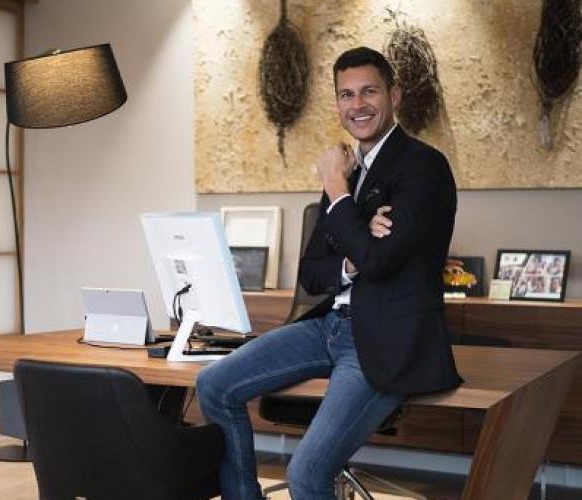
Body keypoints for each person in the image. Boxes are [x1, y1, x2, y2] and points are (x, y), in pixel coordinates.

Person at [196, 46, 462, 500]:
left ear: (394, 95)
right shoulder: (349, 170)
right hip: (328, 327)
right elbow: (313, 273)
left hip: (384, 342)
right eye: (346, 95)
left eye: (369, 92)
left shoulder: (422, 167)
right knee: (214, 385)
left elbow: (381, 261)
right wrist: (354, 252)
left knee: (305, 475)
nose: (357, 105)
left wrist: (337, 192)